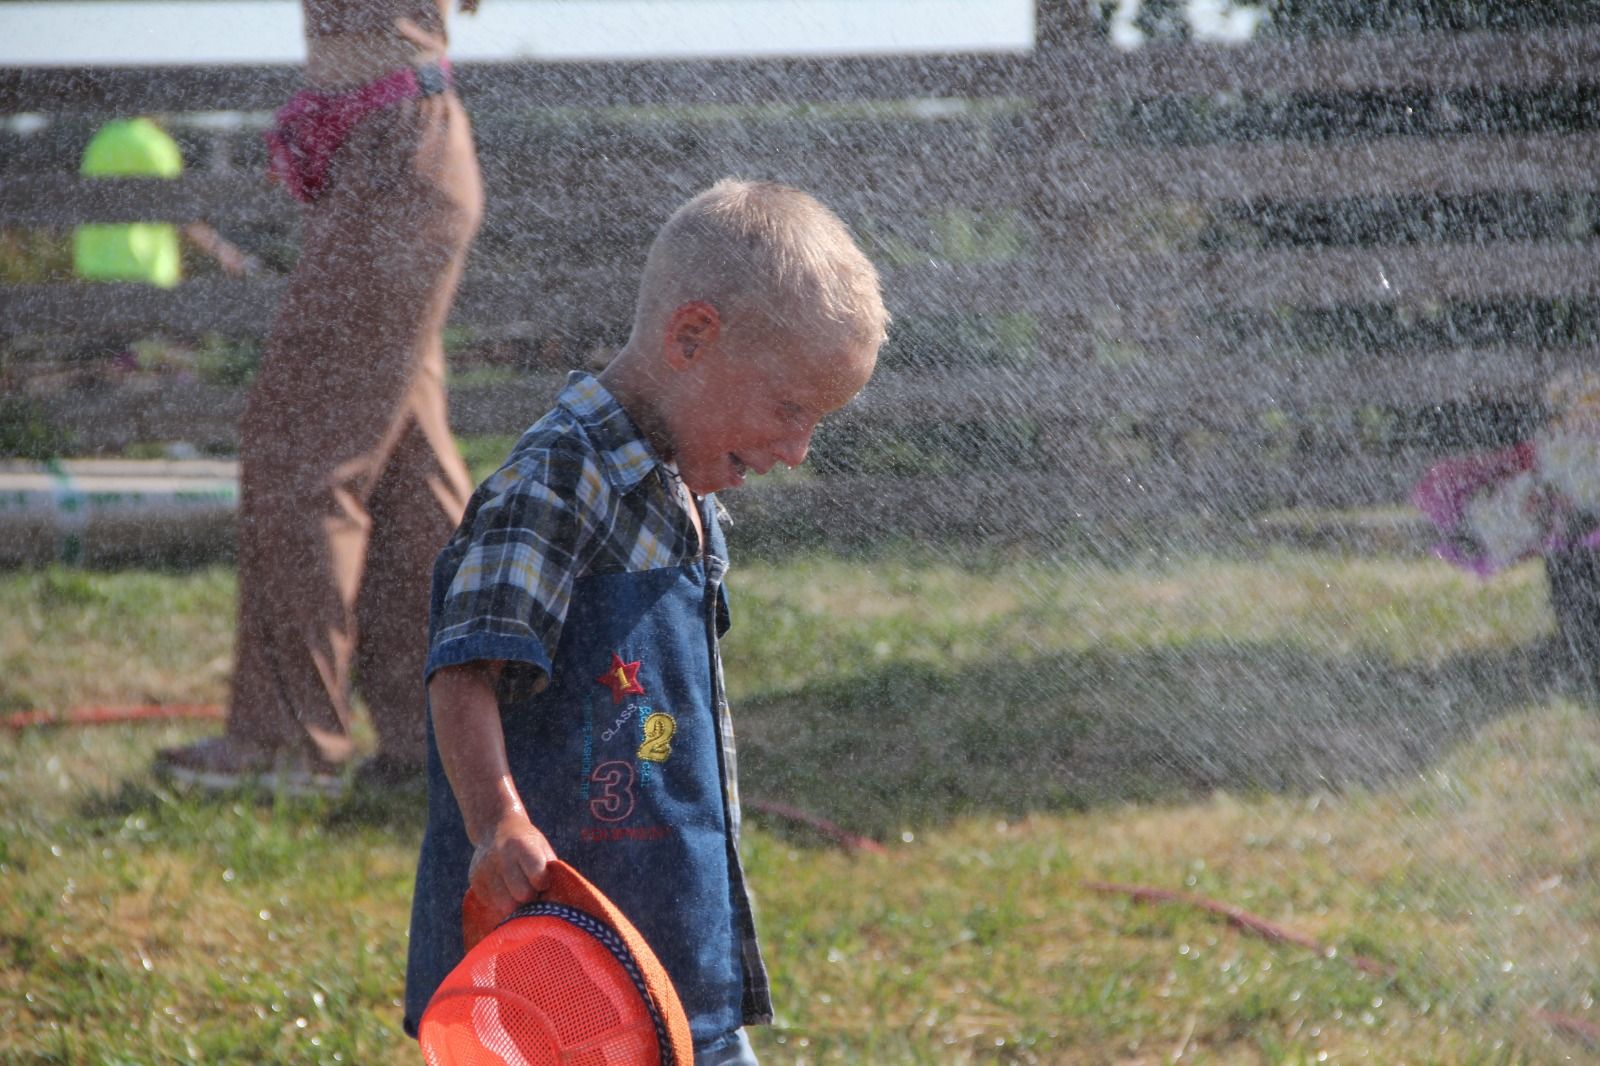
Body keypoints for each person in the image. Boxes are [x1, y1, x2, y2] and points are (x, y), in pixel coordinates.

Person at [402, 179, 889, 1064]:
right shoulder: (557, 482)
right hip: (556, 954)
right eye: (789, 409)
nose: (797, 450)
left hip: (668, 928)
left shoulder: (683, 495)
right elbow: (463, 667)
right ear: (691, 338)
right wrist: (497, 823)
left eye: (816, 423)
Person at [155, 0, 483, 794]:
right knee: (404, 469)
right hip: (394, 150)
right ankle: (439, 740)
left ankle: (286, 745)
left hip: (396, 154)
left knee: (300, 451)